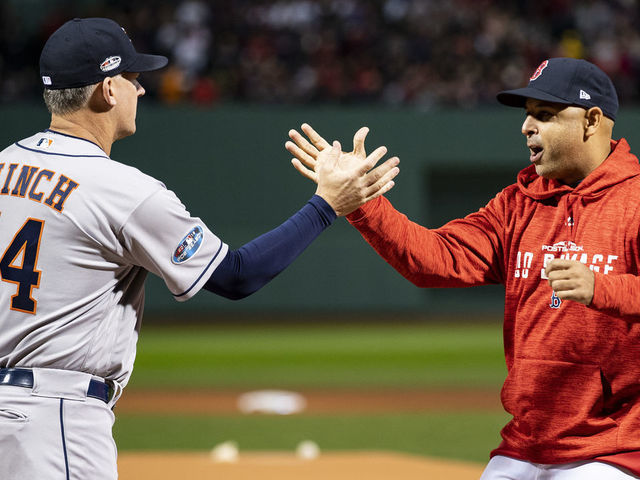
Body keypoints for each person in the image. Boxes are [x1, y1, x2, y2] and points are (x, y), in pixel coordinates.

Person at [0, 17, 399, 480]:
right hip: (55, 421)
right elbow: (236, 275)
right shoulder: (123, 190)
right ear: (107, 90)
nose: (141, 91)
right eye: (133, 79)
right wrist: (327, 205)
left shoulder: (5, 165)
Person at [287, 57, 640, 479]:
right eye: (528, 117)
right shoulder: (517, 204)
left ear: (592, 121)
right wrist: (363, 204)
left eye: (545, 116)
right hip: (526, 443)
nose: (527, 128)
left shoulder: (634, 202)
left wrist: (602, 288)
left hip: (615, 448)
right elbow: (435, 259)